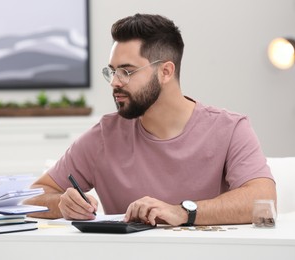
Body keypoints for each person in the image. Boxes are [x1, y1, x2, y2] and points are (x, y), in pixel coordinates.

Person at [25, 13, 276, 227]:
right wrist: (61, 204)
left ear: (165, 71)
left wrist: (182, 212)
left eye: (126, 71)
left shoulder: (230, 129)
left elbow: (264, 199)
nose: (115, 82)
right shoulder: (104, 136)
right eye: (112, 71)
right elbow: (32, 197)